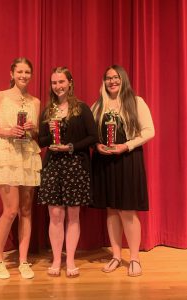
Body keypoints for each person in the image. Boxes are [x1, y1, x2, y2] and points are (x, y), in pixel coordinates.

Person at [91, 65, 155, 277]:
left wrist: (126, 145)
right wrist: (97, 146)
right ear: (104, 81)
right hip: (105, 161)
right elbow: (91, 134)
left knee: (127, 210)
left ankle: (134, 258)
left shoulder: (136, 102)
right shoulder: (98, 105)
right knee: (111, 210)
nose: (112, 81)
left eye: (116, 77)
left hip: (128, 159)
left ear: (123, 79)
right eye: (108, 78)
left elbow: (149, 131)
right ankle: (116, 256)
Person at [0, 57, 42, 279]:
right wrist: (8, 131)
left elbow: (37, 134)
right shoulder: (1, 96)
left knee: (26, 211)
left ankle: (23, 260)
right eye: (19, 71)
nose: (23, 76)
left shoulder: (35, 102)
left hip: (27, 154)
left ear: (31, 75)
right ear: (11, 73)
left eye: (27, 72)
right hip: (6, 154)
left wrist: (32, 128)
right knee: (11, 210)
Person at [37, 66, 98, 278]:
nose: (58, 86)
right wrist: (40, 137)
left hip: (76, 166)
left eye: (61, 82)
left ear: (70, 82)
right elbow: (42, 140)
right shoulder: (47, 111)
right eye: (54, 83)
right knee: (55, 214)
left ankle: (70, 260)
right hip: (53, 165)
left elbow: (93, 137)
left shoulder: (82, 108)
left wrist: (70, 147)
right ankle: (56, 259)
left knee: (73, 215)